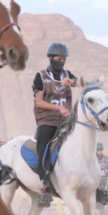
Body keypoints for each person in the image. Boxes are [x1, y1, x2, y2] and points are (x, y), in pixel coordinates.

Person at [31, 42, 77, 206]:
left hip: (66, 119)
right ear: (51, 58)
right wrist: (58, 108)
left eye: (64, 59)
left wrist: (76, 82)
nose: (62, 62)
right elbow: (39, 102)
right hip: (47, 120)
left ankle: (95, 183)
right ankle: (44, 186)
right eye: (59, 59)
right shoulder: (40, 76)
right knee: (43, 147)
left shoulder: (67, 74)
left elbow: (78, 82)